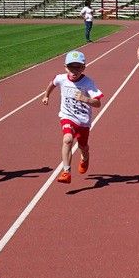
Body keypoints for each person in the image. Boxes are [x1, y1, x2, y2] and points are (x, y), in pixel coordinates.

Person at [42, 50, 103, 184]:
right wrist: (46, 95)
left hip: (83, 121)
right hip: (67, 116)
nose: (74, 71)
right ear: (65, 67)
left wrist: (85, 99)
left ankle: (85, 158)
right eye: (71, 67)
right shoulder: (61, 78)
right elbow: (52, 84)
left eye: (78, 67)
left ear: (83, 68)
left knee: (83, 146)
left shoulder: (88, 83)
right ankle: (66, 172)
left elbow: (98, 103)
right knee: (68, 139)